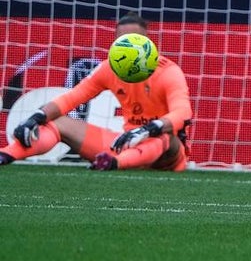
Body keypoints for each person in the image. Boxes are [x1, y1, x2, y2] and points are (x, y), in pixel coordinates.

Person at [0, 12, 193, 172]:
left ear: (148, 43)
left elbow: (183, 113)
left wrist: (147, 129)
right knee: (58, 122)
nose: (130, 49)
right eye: (123, 42)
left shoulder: (168, 71)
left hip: (167, 157)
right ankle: (7, 154)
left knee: (165, 138)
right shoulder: (108, 69)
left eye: (136, 42)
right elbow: (72, 97)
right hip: (125, 144)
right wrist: (36, 117)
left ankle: (115, 163)